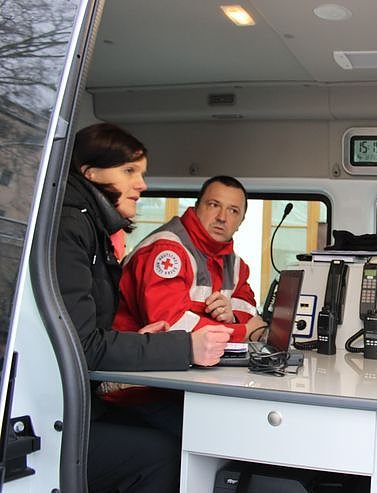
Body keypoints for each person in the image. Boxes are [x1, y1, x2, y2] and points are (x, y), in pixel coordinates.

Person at [56, 123, 234, 492]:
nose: (142, 185)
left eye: (141, 173)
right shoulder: (69, 230)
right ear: (90, 173)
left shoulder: (90, 228)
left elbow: (85, 331)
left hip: (79, 401)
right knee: (167, 451)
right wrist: (186, 347)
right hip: (55, 413)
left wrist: (137, 338)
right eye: (129, 171)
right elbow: (80, 346)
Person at [113, 175, 265, 343]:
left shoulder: (236, 265)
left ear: (241, 221)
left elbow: (248, 309)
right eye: (214, 205)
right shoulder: (166, 250)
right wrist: (242, 332)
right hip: (133, 353)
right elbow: (170, 325)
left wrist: (232, 317)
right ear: (197, 206)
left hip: (181, 354)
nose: (222, 217)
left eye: (233, 211)